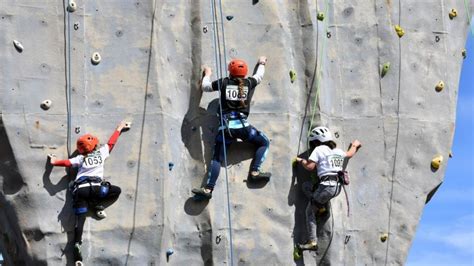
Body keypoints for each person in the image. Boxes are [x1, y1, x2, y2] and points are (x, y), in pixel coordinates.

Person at [48, 120, 130, 262]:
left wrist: (54, 161)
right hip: (97, 189)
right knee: (116, 190)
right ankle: (97, 205)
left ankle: (77, 246)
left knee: (80, 220)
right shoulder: (100, 154)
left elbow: (67, 163)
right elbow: (111, 144)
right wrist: (119, 128)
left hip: (80, 191)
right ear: (94, 146)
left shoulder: (80, 158)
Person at [192, 56, 271, 199]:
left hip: (226, 130)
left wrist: (208, 74)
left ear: (230, 72)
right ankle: (255, 171)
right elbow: (258, 77)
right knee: (264, 142)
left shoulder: (224, 82)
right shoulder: (247, 83)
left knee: (217, 158)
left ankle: (208, 190)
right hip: (243, 128)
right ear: (245, 73)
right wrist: (261, 63)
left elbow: (205, 87)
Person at [294, 126, 361, 250]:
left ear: (316, 141)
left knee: (309, 212)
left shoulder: (319, 149)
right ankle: (320, 207)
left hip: (326, 187)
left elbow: (310, 167)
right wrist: (355, 145)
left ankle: (312, 242)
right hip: (336, 188)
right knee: (307, 186)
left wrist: (300, 161)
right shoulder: (338, 151)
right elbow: (350, 154)